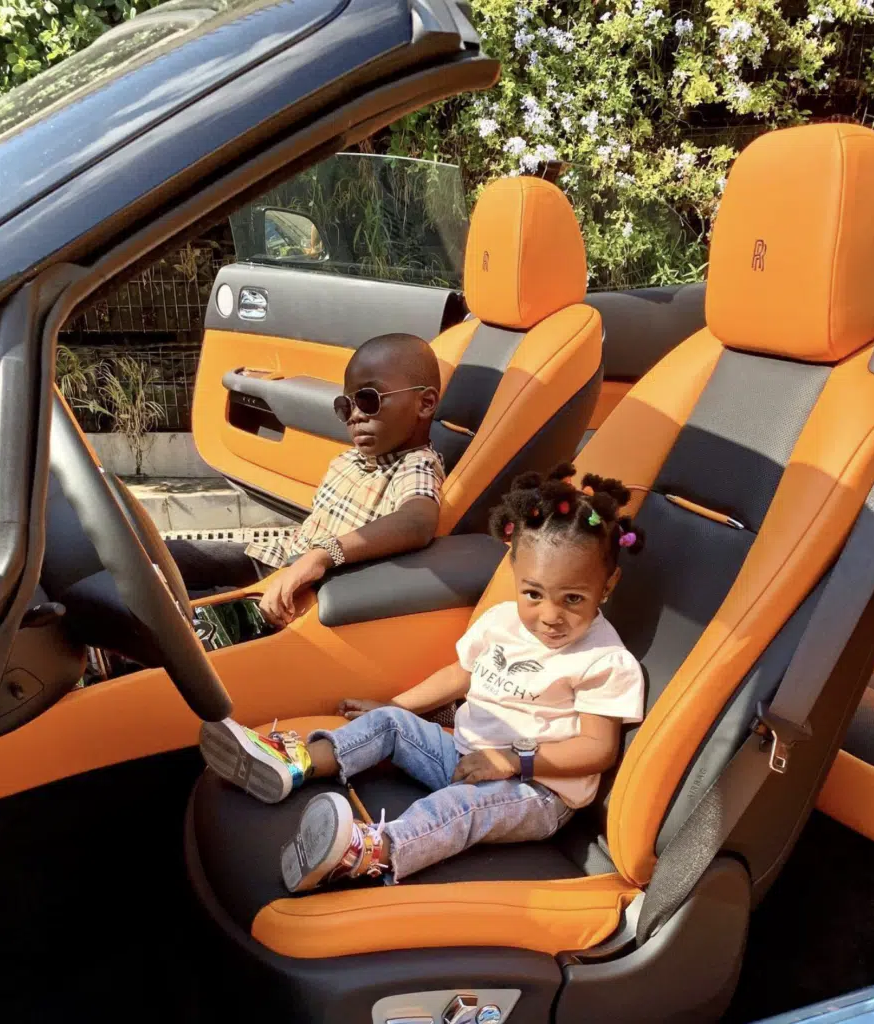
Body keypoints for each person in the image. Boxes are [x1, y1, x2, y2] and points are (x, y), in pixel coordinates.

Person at [198, 465, 647, 891]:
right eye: (534, 593)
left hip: (535, 791)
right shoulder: (502, 622)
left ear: (607, 586)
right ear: (512, 571)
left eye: (573, 599)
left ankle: (370, 849)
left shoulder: (604, 660)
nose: (550, 616)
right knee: (390, 724)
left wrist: (513, 761)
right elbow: (461, 674)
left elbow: (596, 749)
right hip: (464, 753)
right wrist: (396, 706)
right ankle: (294, 763)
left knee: (457, 809)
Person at [167, 333, 445, 624]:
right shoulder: (349, 460)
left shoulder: (415, 464)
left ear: (425, 403)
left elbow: (416, 522)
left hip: (304, 587)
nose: (355, 416)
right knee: (166, 558)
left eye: (368, 399)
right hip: (279, 558)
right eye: (346, 405)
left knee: (187, 610)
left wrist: (323, 555)